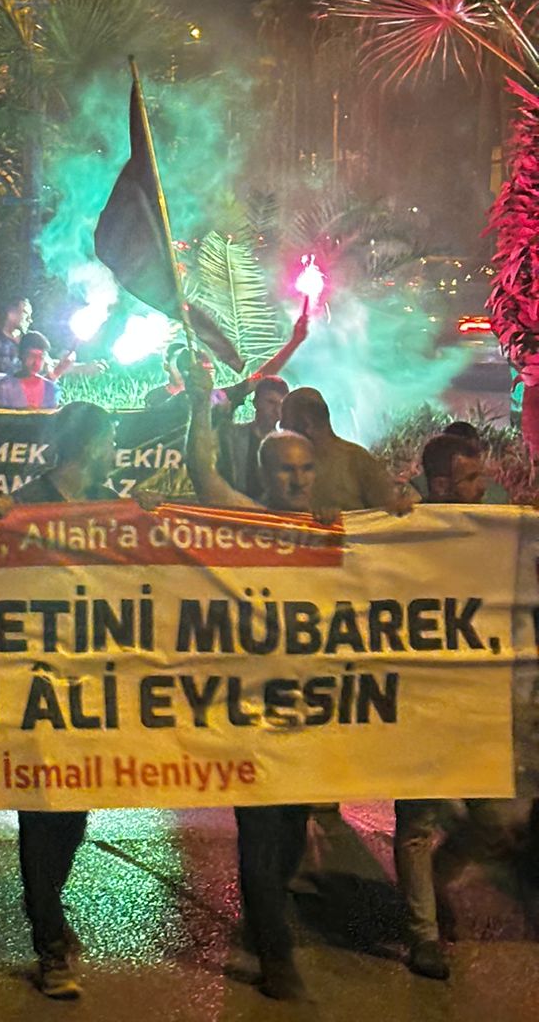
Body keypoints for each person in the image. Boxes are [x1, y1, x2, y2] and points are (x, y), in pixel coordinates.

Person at [183, 353, 320, 1000]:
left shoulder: (335, 530)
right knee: (262, 833)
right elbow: (203, 474)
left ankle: (267, 919)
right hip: (252, 713)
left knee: (291, 831)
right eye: (284, 470)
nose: (296, 479)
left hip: (311, 712)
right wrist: (199, 403)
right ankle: (275, 950)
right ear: (265, 476)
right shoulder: (248, 521)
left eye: (304, 468)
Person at [392, 433, 526, 979]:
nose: (482, 486)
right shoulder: (402, 527)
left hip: (475, 698)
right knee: (417, 819)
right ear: (442, 482)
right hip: (419, 697)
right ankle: (422, 935)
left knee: (493, 818)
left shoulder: (488, 523)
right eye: (471, 478)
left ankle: (434, 880)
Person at [9, 403, 119, 998]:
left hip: (89, 682)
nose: (116, 449)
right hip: (33, 678)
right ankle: (50, 945)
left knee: (73, 813)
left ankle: (49, 907)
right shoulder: (27, 501)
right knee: (39, 808)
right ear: (89, 444)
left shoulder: (110, 501)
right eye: (111, 439)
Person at [277, 386, 412, 514]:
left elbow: (389, 516)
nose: (282, 434)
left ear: (306, 424)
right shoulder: (282, 464)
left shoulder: (357, 461)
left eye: (286, 427)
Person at [14, 339, 61, 410]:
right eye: (32, 356)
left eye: (41, 358)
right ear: (21, 356)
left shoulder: (51, 389)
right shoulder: (5, 387)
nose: (36, 363)